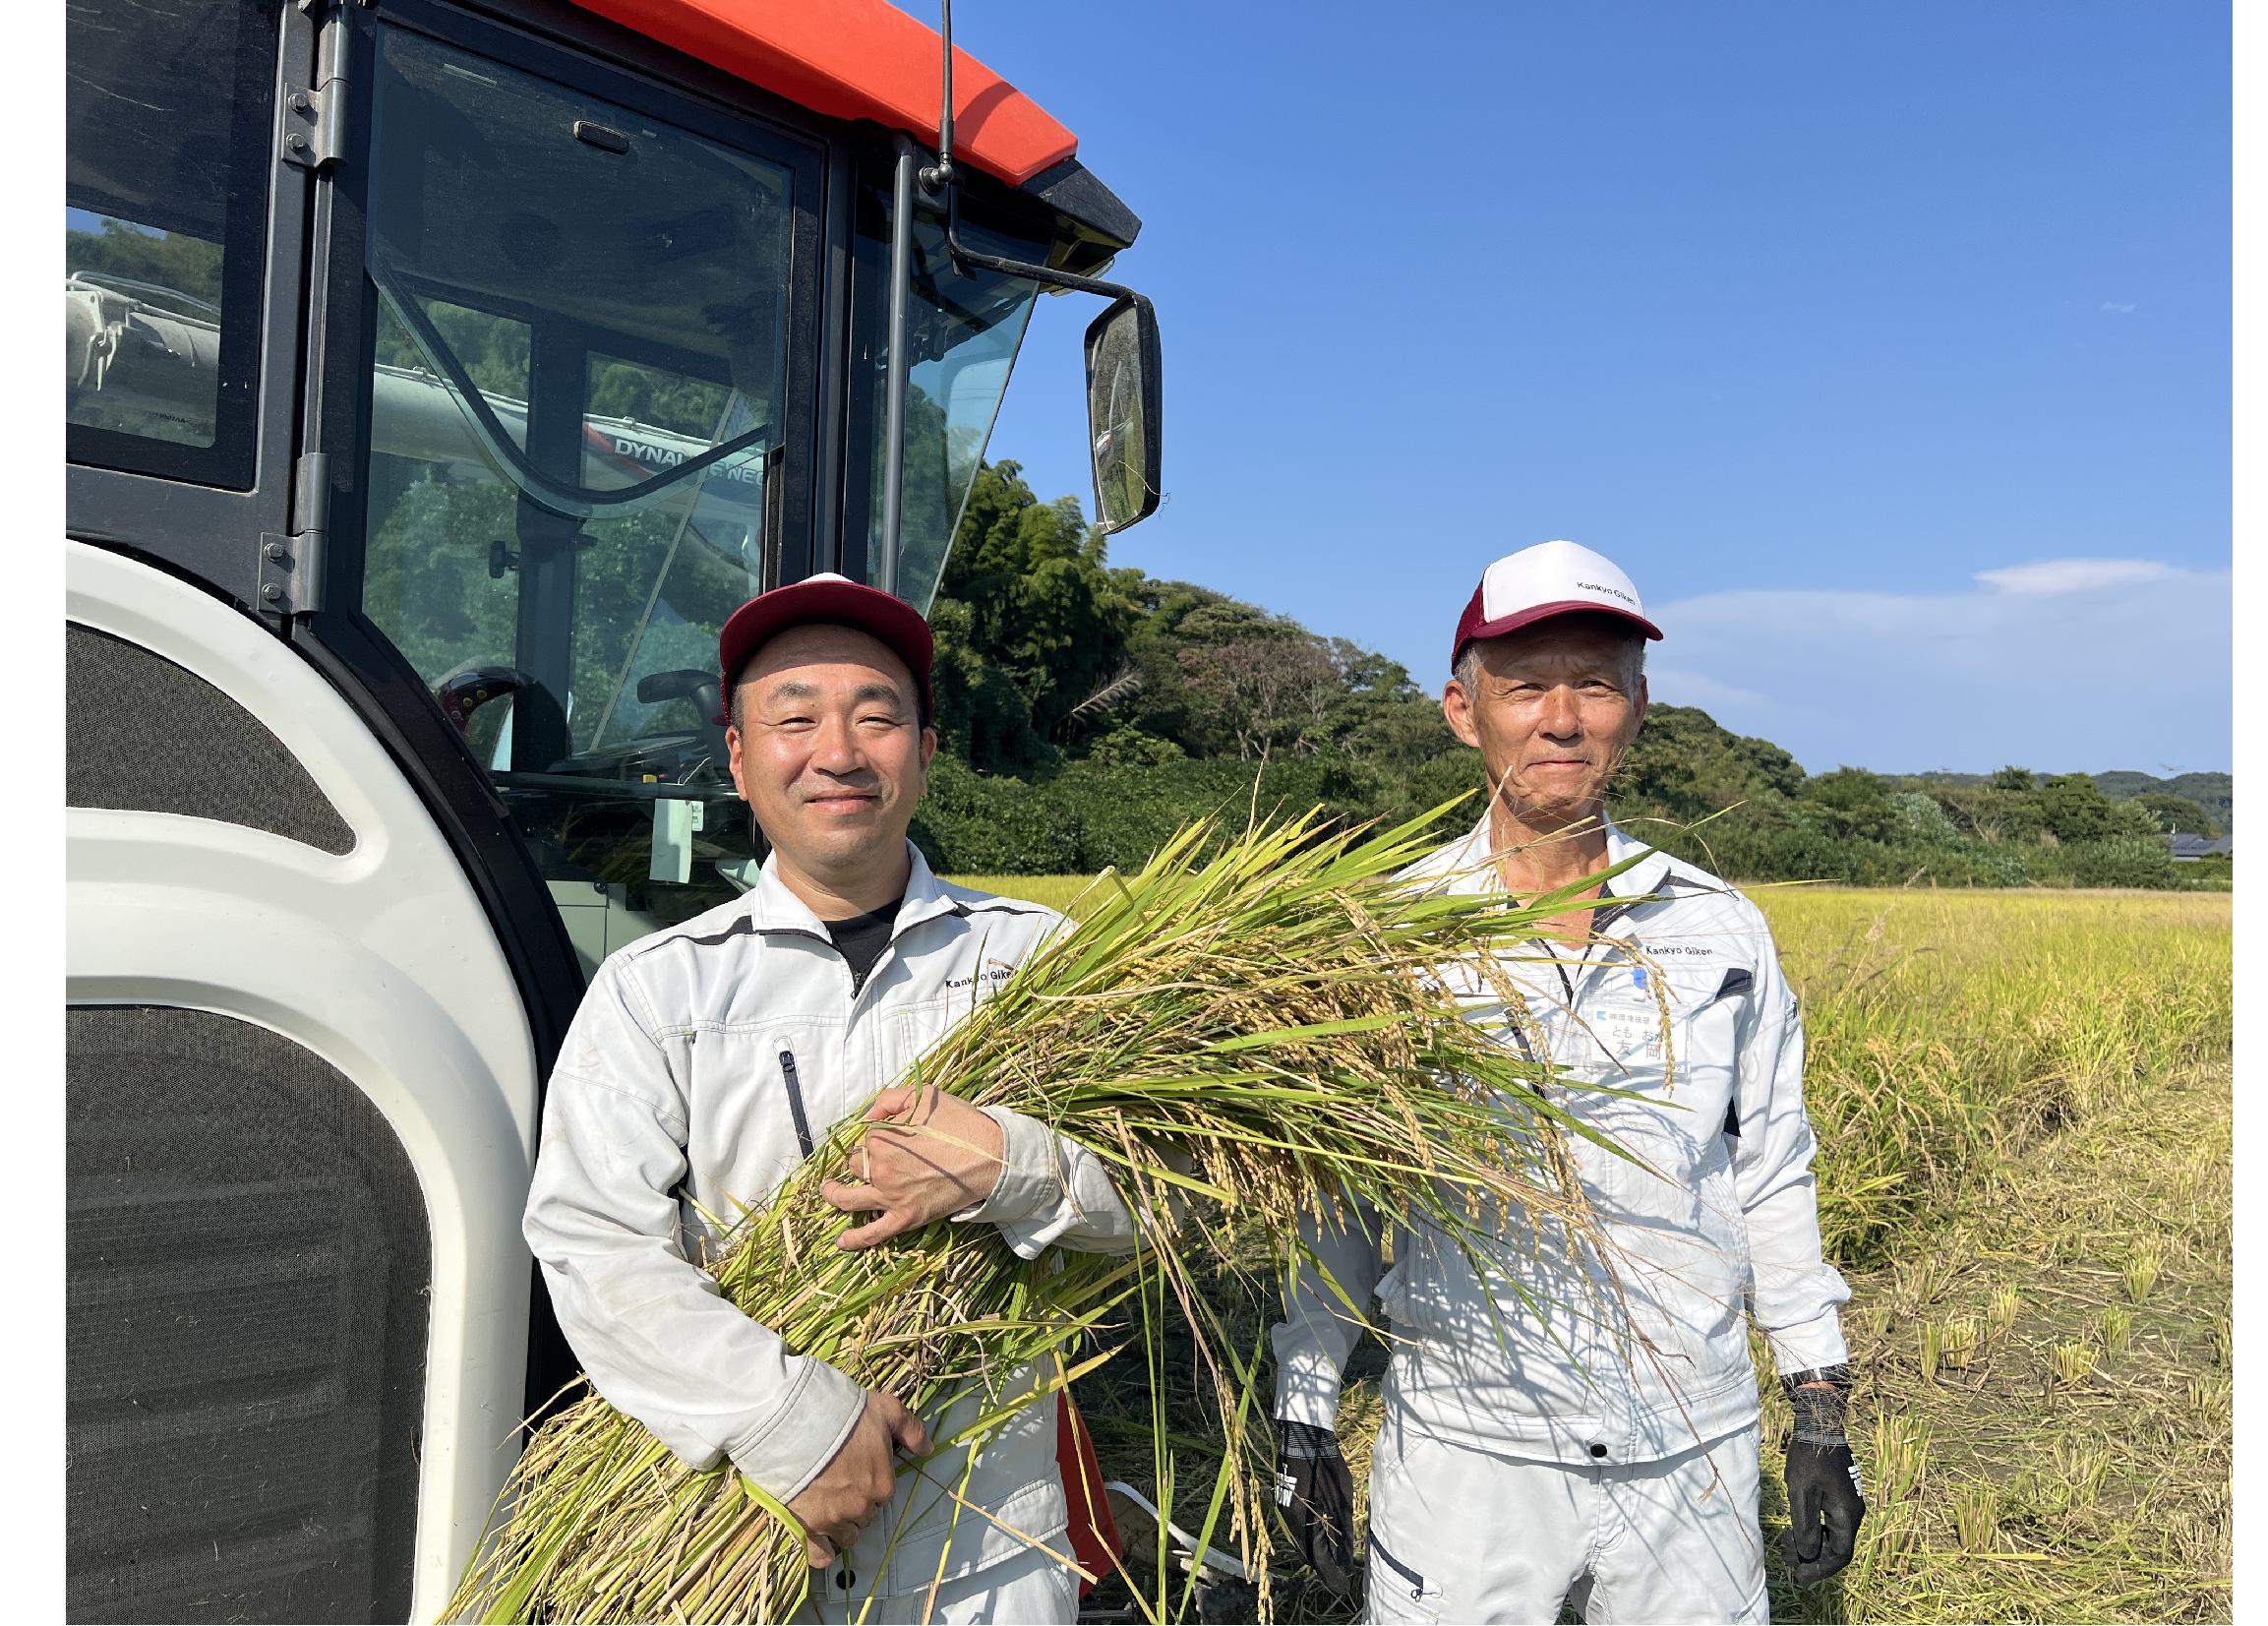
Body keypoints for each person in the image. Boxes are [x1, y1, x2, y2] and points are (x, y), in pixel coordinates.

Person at [524, 572, 1135, 1625]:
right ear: (737, 757)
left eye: (877, 716)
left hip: (988, 1542)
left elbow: (1169, 1211)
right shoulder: (656, 987)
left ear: (927, 751)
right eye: (794, 717)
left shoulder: (1044, 963)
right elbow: (593, 1243)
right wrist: (787, 1419)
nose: (839, 753)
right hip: (742, 1529)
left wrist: (1018, 1172)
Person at [1270, 541, 1862, 1624]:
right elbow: (1338, 1200)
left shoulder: (1719, 929)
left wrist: (1817, 1405)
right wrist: (1305, 1410)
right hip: (1467, 1449)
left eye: (1592, 683)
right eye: (1525, 685)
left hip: (1688, 1439)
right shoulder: (1379, 937)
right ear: (1462, 710)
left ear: (1636, 707)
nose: (1560, 717)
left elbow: (1769, 1171)